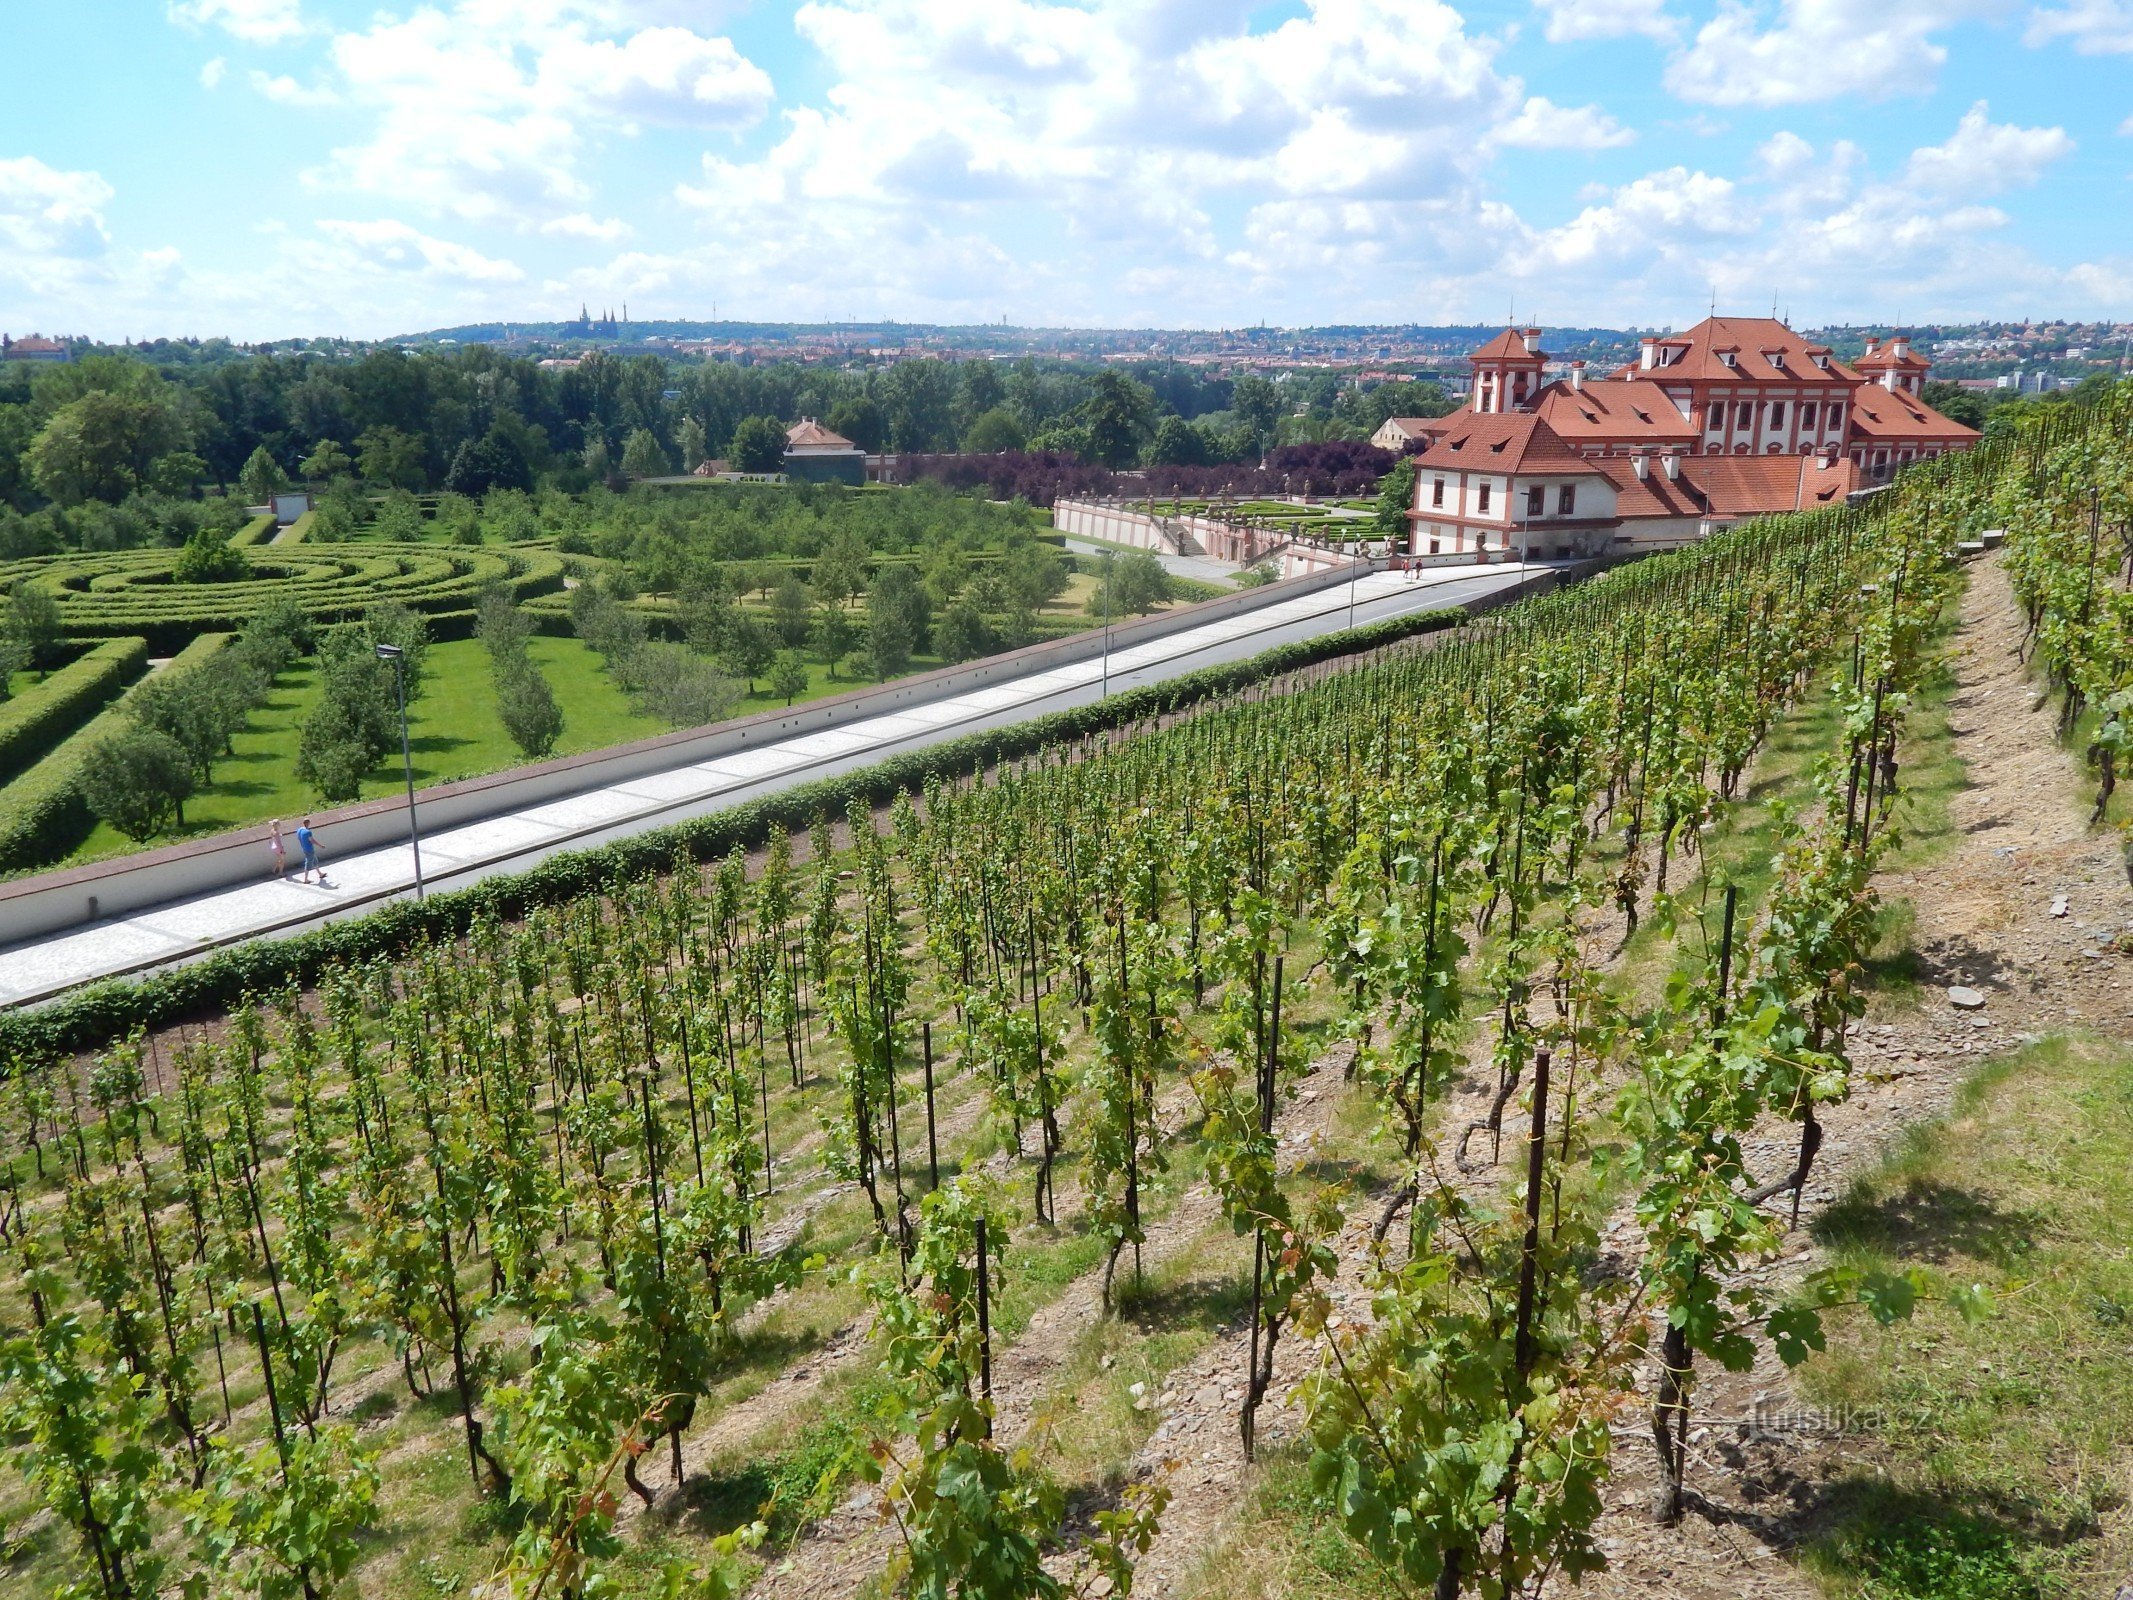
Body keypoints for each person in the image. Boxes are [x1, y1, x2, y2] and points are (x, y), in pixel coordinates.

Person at [296, 817, 319, 884]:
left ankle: (320, 874)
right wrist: (320, 845)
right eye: (309, 823)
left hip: (305, 849)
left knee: (315, 861)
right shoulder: (308, 832)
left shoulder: (299, 829)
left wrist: (302, 845)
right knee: (308, 864)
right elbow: (312, 841)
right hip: (309, 850)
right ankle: (305, 879)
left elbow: (298, 838)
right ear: (308, 823)